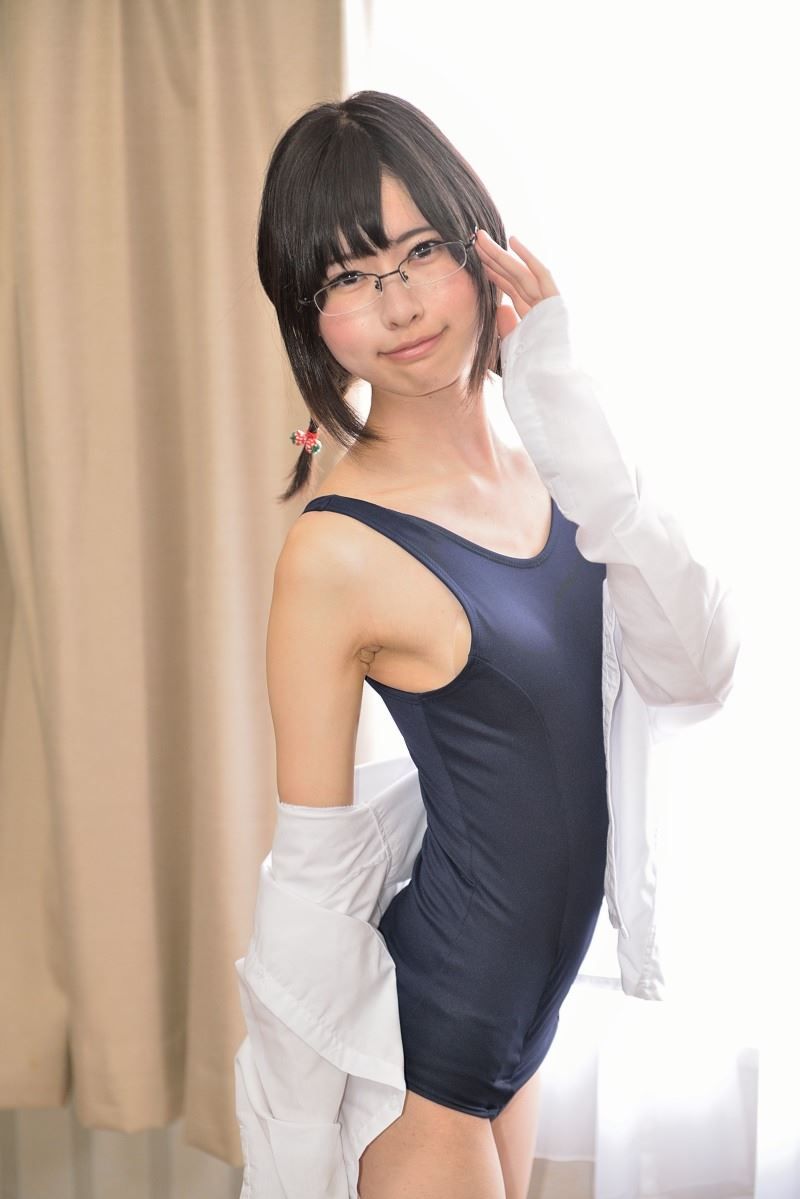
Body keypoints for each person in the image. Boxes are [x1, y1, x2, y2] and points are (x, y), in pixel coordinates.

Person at [233, 91, 740, 1199]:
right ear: (309, 316)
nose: (400, 301)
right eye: (349, 276)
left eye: (421, 249)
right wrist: (293, 1142)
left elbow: (699, 667)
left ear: (482, 246)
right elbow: (311, 875)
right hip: (426, 1058)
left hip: (523, 1029)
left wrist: (561, 390)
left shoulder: (555, 466)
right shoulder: (334, 551)